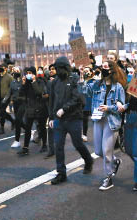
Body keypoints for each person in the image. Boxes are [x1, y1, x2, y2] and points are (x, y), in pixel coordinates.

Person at [80, 60, 126, 190]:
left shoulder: (118, 87)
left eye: (106, 67)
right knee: (99, 151)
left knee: (106, 151)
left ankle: (108, 177)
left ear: (112, 70)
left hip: (111, 121)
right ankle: (115, 161)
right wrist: (82, 76)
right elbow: (85, 91)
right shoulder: (96, 85)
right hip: (98, 120)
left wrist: (109, 108)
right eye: (102, 67)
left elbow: (122, 107)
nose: (103, 69)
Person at [48, 56, 94, 185]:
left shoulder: (74, 79)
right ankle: (61, 173)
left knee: (77, 144)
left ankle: (88, 160)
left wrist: (64, 109)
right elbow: (52, 101)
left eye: (58, 68)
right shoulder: (54, 82)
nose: (56, 70)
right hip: (59, 120)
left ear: (64, 68)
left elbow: (78, 98)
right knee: (58, 146)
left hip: (74, 118)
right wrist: (51, 117)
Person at [17, 67, 49, 156]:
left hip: (40, 107)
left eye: (30, 72)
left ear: (34, 73)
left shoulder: (40, 81)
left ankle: (44, 145)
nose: (28, 74)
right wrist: (23, 84)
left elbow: (39, 92)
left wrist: (34, 81)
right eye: (27, 72)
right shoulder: (26, 83)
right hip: (30, 108)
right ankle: (25, 147)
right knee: (27, 128)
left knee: (42, 127)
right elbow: (21, 94)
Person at [4, 67, 26, 148]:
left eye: (17, 71)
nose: (15, 72)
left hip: (23, 103)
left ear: (20, 71)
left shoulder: (24, 81)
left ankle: (17, 141)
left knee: (17, 121)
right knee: (19, 121)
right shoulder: (12, 82)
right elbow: (9, 92)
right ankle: (28, 131)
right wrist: (4, 100)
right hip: (16, 103)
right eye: (14, 71)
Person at [0, 63, 14, 135]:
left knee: (1, 111)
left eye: (2, 67)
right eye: (0, 67)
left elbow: (12, 88)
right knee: (2, 111)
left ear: (6, 68)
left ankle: (2, 128)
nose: (0, 68)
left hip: (5, 97)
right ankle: (13, 121)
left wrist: (11, 99)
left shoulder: (9, 77)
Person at [44, 64, 57, 159]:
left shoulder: (62, 80)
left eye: (53, 69)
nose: (51, 71)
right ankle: (51, 150)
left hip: (62, 110)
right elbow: (48, 95)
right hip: (52, 109)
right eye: (50, 69)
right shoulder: (48, 82)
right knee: (51, 130)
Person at [80, 66, 96, 142]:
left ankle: (97, 135)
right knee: (84, 119)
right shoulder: (81, 80)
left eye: (87, 71)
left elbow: (89, 91)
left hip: (92, 102)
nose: (86, 72)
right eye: (84, 71)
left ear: (91, 72)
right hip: (84, 102)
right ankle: (84, 134)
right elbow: (80, 90)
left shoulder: (93, 81)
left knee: (94, 120)